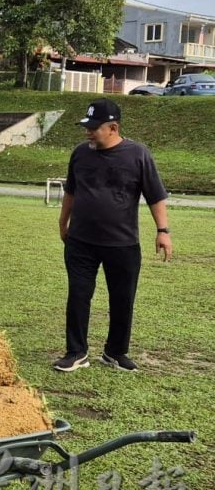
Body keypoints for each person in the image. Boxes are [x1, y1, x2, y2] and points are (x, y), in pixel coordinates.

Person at [53, 99, 173, 373]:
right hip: (81, 241)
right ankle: (76, 352)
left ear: (113, 127)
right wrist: (63, 223)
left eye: (94, 128)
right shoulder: (80, 153)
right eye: (86, 126)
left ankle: (115, 352)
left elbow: (155, 196)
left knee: (122, 299)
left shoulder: (138, 154)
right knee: (79, 295)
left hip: (122, 243)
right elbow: (71, 191)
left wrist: (163, 231)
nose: (88, 132)